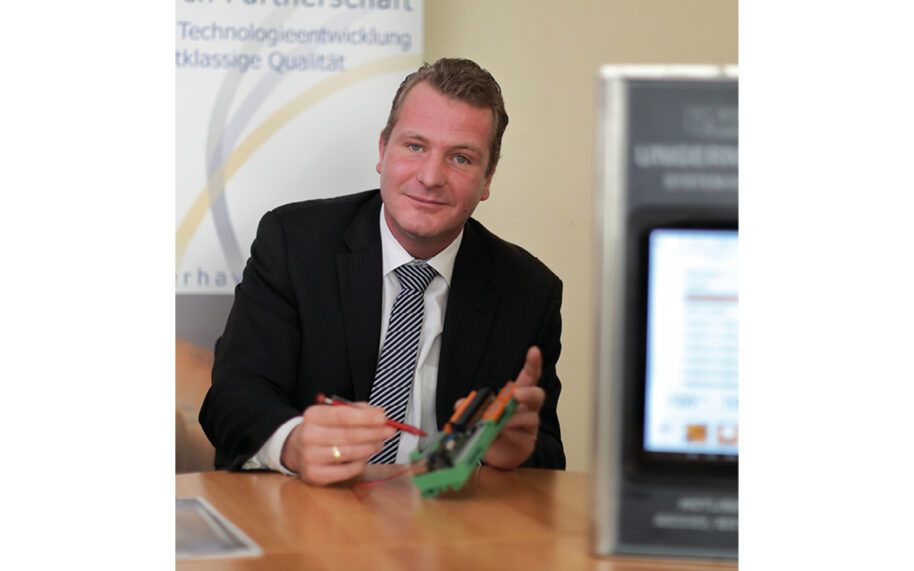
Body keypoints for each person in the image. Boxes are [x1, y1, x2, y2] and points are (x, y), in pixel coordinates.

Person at [199, 57, 564, 485]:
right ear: (382, 150)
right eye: (415, 146)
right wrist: (293, 443)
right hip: (311, 506)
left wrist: (510, 456)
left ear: (487, 180)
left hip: (445, 511)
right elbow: (232, 396)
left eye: (461, 158)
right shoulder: (294, 244)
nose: (431, 177)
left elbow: (546, 450)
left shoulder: (528, 291)